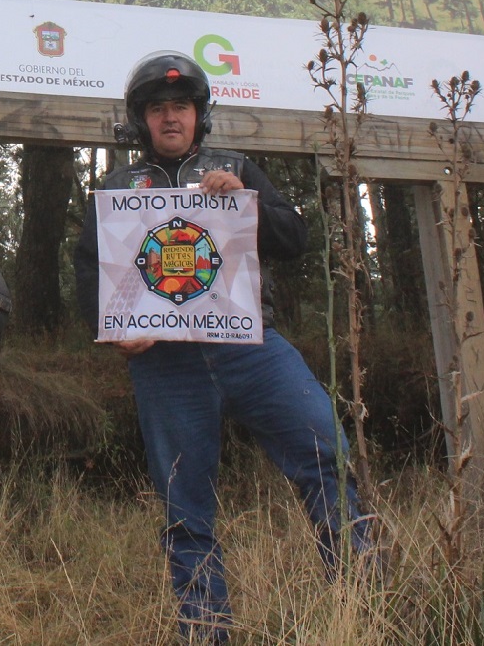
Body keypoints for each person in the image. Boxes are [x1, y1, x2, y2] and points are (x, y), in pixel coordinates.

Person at [74, 50, 370, 642]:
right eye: (156, 109)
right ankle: (206, 631)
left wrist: (245, 202)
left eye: (180, 106)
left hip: (250, 346)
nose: (169, 118)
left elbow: (295, 240)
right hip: (164, 363)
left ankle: (365, 605)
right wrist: (111, 331)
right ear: (142, 121)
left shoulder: (235, 166)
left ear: (199, 114)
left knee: (327, 456)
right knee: (184, 506)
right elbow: (88, 270)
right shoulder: (116, 187)